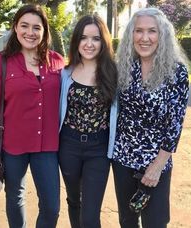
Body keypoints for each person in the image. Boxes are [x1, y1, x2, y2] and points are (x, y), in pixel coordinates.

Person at [0, 4, 64, 228]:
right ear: (15, 28)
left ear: (44, 31)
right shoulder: (0, 63)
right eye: (24, 26)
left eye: (36, 27)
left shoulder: (57, 62)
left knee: (52, 207)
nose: (30, 33)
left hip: (48, 146)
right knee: (15, 198)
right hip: (13, 146)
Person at [110, 7, 189, 228]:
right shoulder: (123, 67)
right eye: (139, 31)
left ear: (161, 35)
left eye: (152, 31)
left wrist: (157, 166)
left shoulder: (177, 72)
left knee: (155, 222)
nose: (145, 38)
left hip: (157, 162)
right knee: (127, 221)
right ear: (131, 35)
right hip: (123, 160)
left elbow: (175, 125)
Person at [59, 14, 118, 228]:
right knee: (74, 201)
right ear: (77, 41)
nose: (89, 44)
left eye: (96, 38)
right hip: (69, 145)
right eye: (84, 38)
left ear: (104, 42)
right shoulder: (65, 74)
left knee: (91, 215)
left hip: (99, 149)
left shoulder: (114, 73)